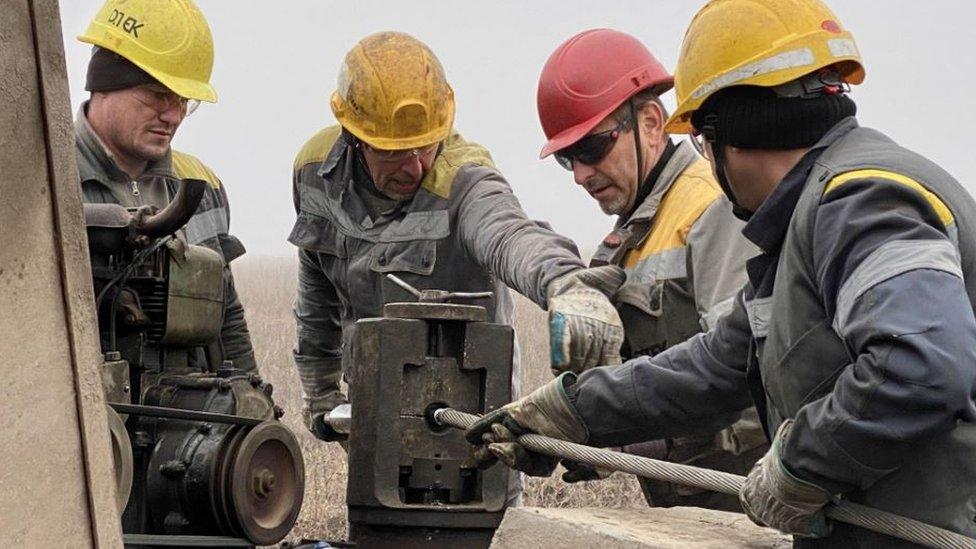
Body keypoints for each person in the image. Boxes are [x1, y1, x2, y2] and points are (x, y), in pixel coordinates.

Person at [467, 1, 976, 546]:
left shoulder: (860, 201)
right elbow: (717, 363)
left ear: (731, 134)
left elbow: (919, 367)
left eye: (705, 144)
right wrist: (571, 410)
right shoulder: (802, 227)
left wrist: (797, 464)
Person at [289, 31, 623, 447]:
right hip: (372, 408)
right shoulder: (314, 171)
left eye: (425, 146)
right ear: (355, 138)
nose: (414, 167)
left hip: (470, 419)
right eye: (393, 151)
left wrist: (565, 284)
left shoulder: (464, 178)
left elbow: (509, 234)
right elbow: (317, 284)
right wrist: (320, 390)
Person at [535, 28, 765, 510]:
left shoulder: (712, 209)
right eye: (566, 159)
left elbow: (754, 391)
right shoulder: (633, 236)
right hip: (689, 516)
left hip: (748, 515)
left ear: (652, 123)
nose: (580, 174)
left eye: (593, 148)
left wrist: (636, 441)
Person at [76, 0, 257, 372]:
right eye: (158, 95)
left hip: (188, 421)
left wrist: (253, 408)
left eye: (183, 100)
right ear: (104, 83)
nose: (173, 116)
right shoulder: (46, 183)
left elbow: (227, 321)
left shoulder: (202, 185)